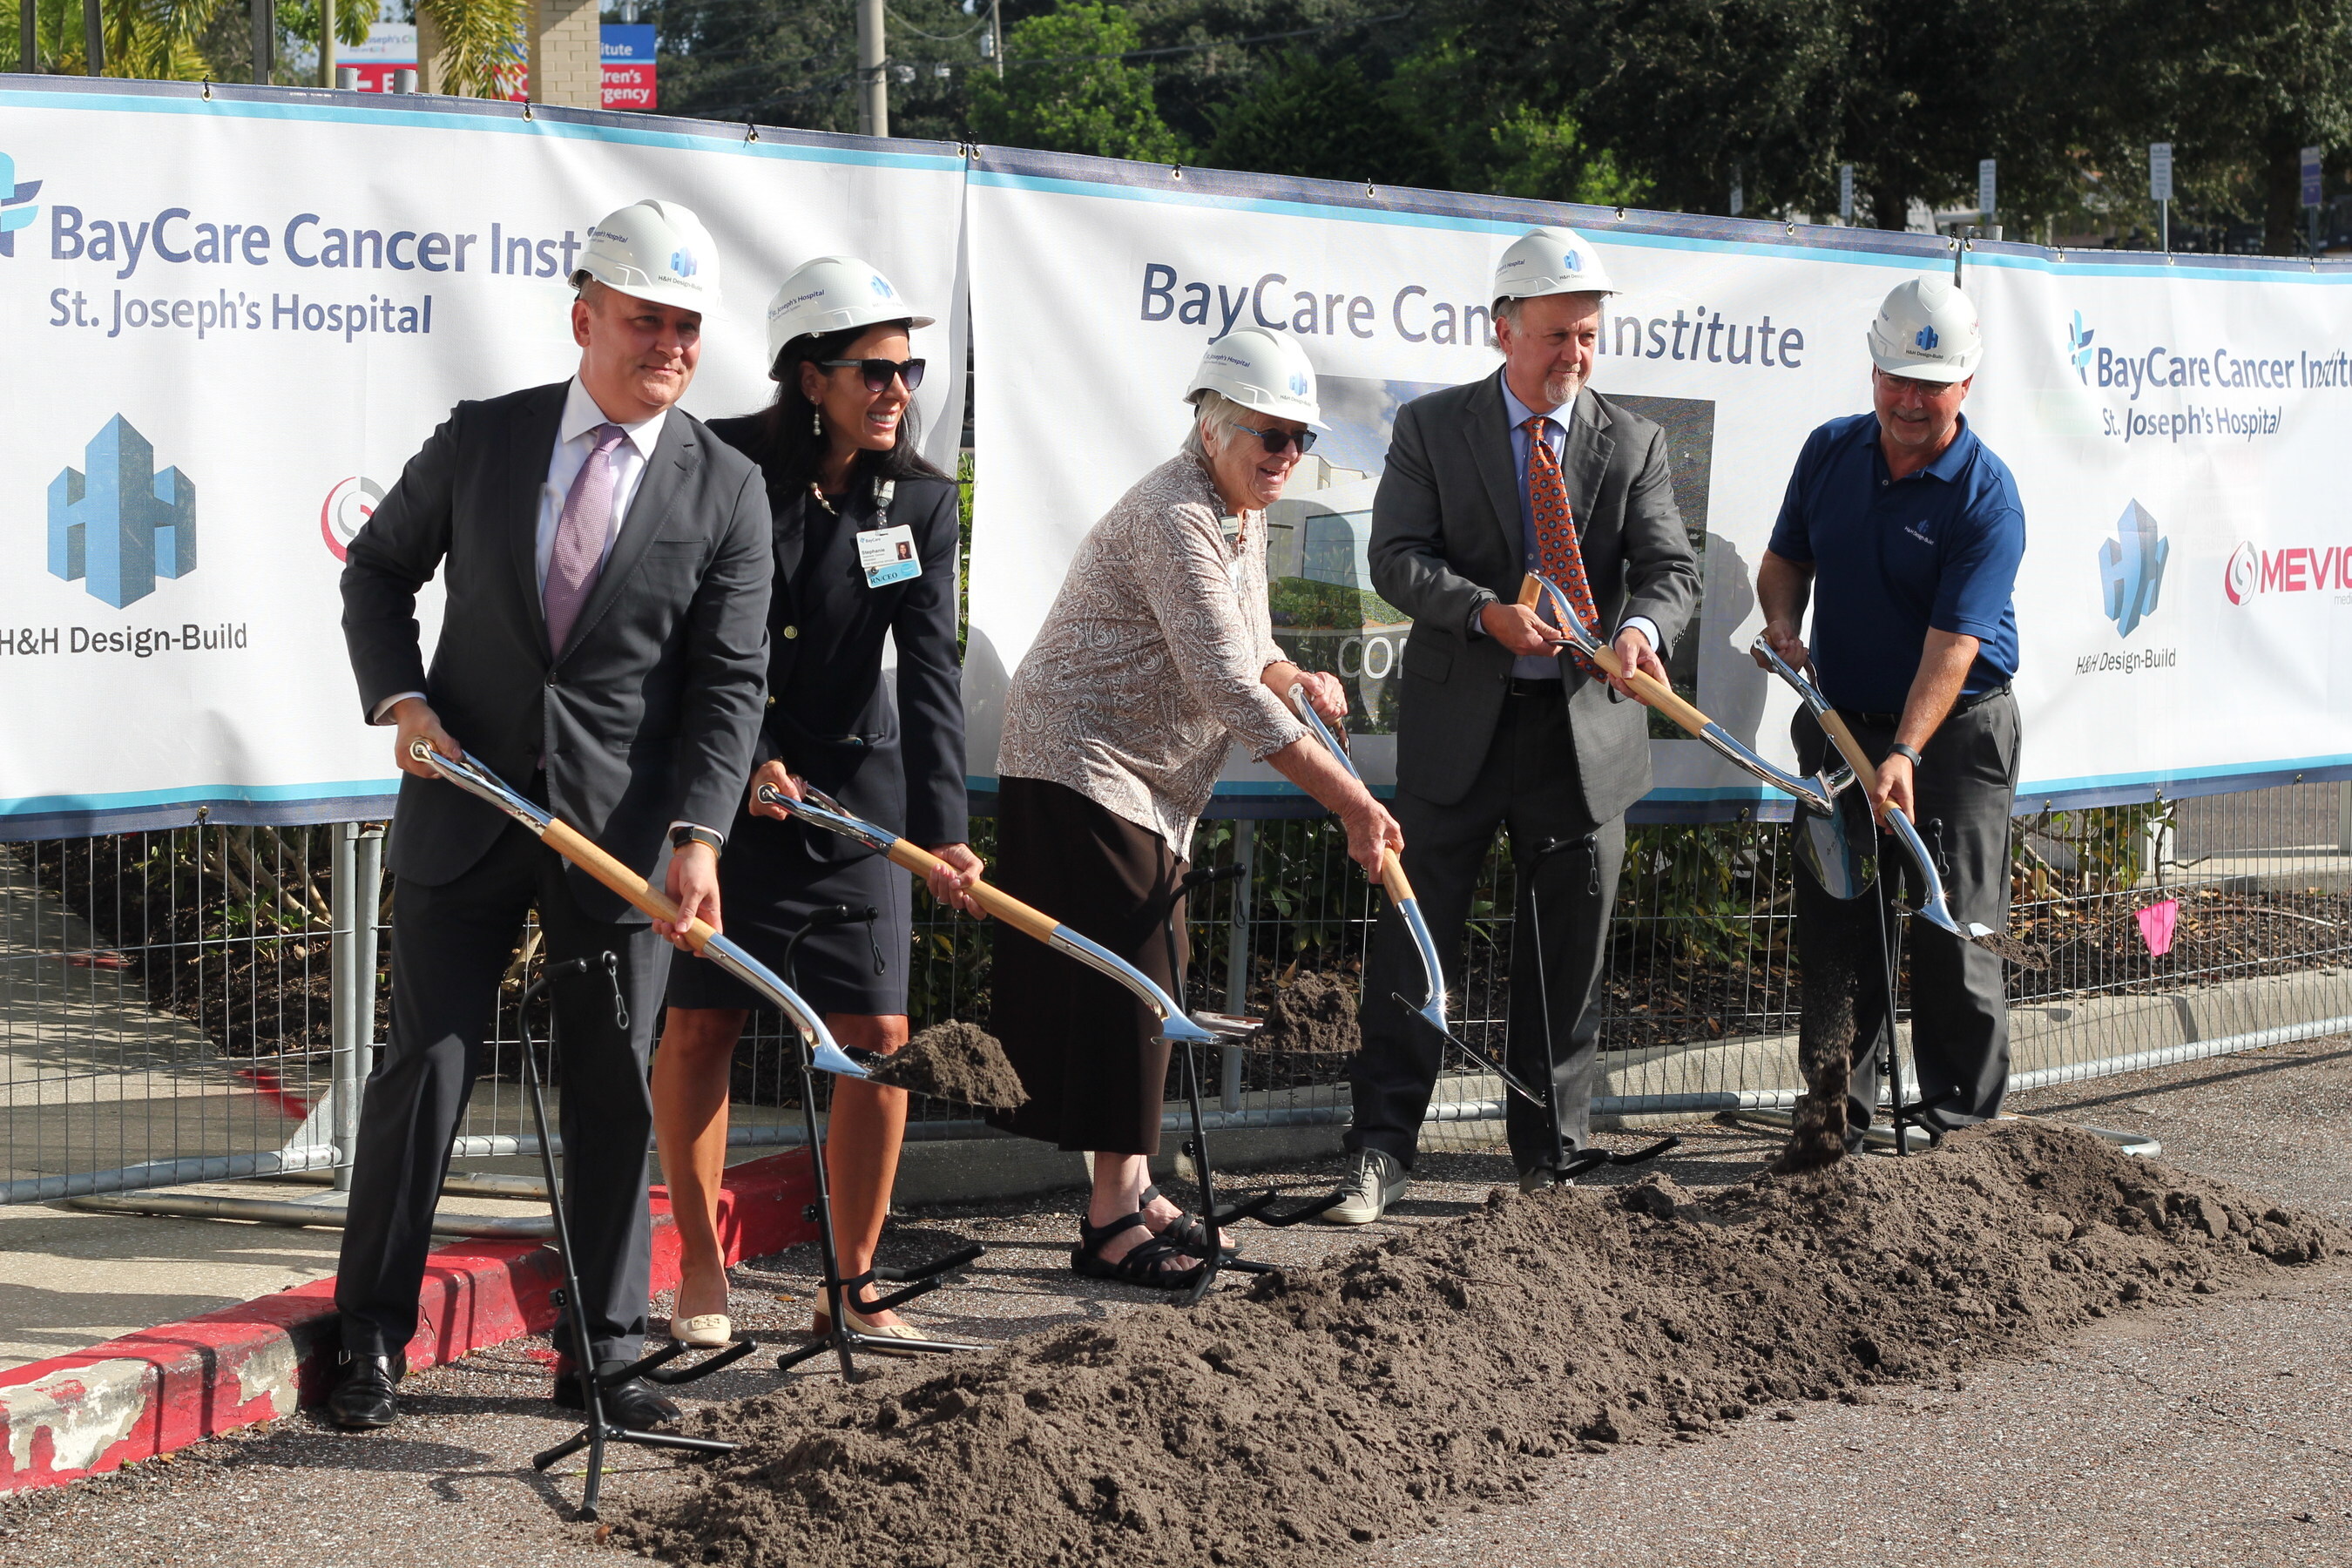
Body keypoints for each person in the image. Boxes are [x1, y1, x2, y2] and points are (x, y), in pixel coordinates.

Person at [330, 199, 772, 1430]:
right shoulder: (486, 441)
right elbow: (376, 571)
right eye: (647, 321)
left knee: (612, 1090)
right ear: (586, 317)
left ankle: (607, 1351)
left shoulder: (726, 490)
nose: (671, 345)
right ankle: (370, 1337)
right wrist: (402, 698)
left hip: (620, 842)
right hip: (465, 805)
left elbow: (731, 685)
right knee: (427, 1071)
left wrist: (698, 837)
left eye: (688, 326)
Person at [993, 328, 1404, 1290]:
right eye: (1270, 434)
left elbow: (1250, 647)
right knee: (1125, 983)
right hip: (1080, 759)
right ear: (1213, 425)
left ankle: (1133, 1191)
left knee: (1152, 980)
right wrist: (1352, 802)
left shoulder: (1239, 510)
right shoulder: (1175, 513)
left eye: (1300, 438)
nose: (1286, 456)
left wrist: (1295, 673)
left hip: (1145, 778)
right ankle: (1106, 1224)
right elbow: (1224, 683)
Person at [1334, 226, 1700, 1221]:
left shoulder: (1633, 443)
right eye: (1554, 336)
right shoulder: (1434, 429)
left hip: (1584, 741)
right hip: (1460, 732)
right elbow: (1397, 556)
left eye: (1587, 336)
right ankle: (1380, 1149)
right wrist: (1483, 613)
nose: (1573, 357)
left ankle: (1552, 1156)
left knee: (1566, 958)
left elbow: (1672, 571)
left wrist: (1636, 628)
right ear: (1503, 330)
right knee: (1416, 939)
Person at [653, 256, 983, 1351]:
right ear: (808, 376)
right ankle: (703, 1266)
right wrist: (745, 755)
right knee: (703, 1023)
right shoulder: (723, 466)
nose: (898, 391)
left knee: (879, 1037)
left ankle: (852, 1284)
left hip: (855, 798)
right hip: (727, 786)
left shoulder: (922, 501)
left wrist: (945, 834)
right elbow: (703, 642)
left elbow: (930, 672)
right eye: (874, 372)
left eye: (907, 371)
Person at [1753, 277, 2024, 1166]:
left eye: (1930, 382)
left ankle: (1961, 1140)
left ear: (1965, 386)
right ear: (1873, 371)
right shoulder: (1831, 452)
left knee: (1951, 928)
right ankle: (1835, 1121)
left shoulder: (1986, 498)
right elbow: (1784, 561)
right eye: (1895, 376)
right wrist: (1786, 620)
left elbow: (1953, 647)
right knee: (1839, 926)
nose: (1909, 399)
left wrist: (1904, 751)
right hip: (1839, 730)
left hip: (1955, 736)